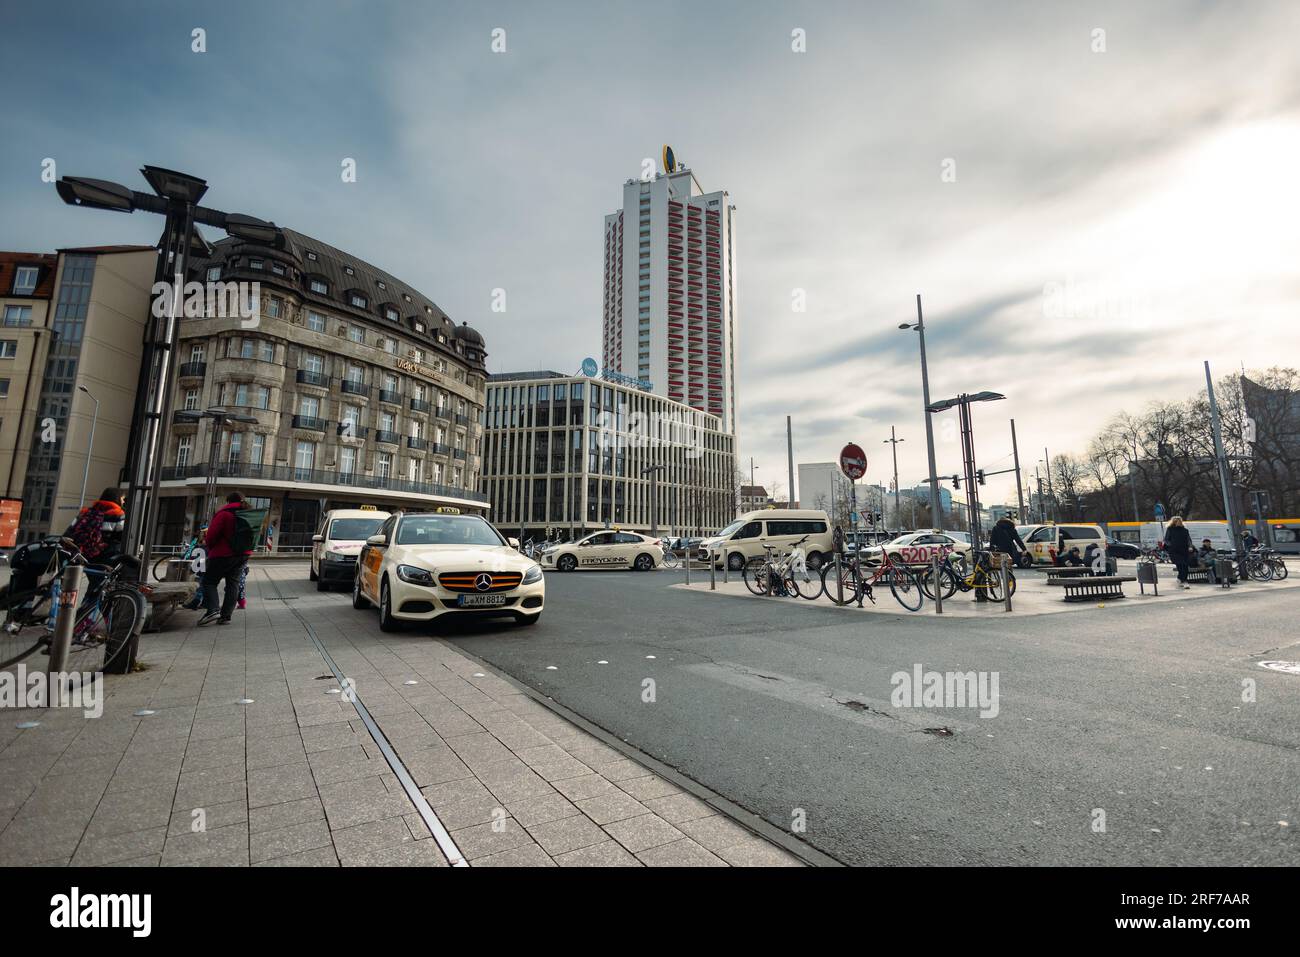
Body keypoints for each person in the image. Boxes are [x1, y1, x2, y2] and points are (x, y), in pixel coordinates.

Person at [199, 491, 252, 625]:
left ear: (228, 501)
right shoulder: (248, 514)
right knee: (233, 585)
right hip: (242, 555)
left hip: (222, 555)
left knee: (209, 582)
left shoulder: (224, 514)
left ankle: (213, 609)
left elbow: (211, 535)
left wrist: (210, 547)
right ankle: (226, 616)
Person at [65, 488, 126, 563]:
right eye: (122, 499)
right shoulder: (118, 515)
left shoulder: (85, 512)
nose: (124, 501)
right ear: (117, 499)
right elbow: (122, 538)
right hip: (103, 560)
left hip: (79, 557)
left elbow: (69, 533)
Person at [1165, 516, 1194, 589]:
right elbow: (1166, 540)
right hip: (1174, 551)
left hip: (1184, 550)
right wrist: (1172, 545)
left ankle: (1180, 579)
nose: (1179, 522)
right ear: (1174, 522)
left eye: (1180, 521)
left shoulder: (1185, 530)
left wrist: (1190, 546)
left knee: (1185, 566)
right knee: (1180, 565)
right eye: (1177, 521)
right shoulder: (1170, 529)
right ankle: (1184, 581)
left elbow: (1189, 540)